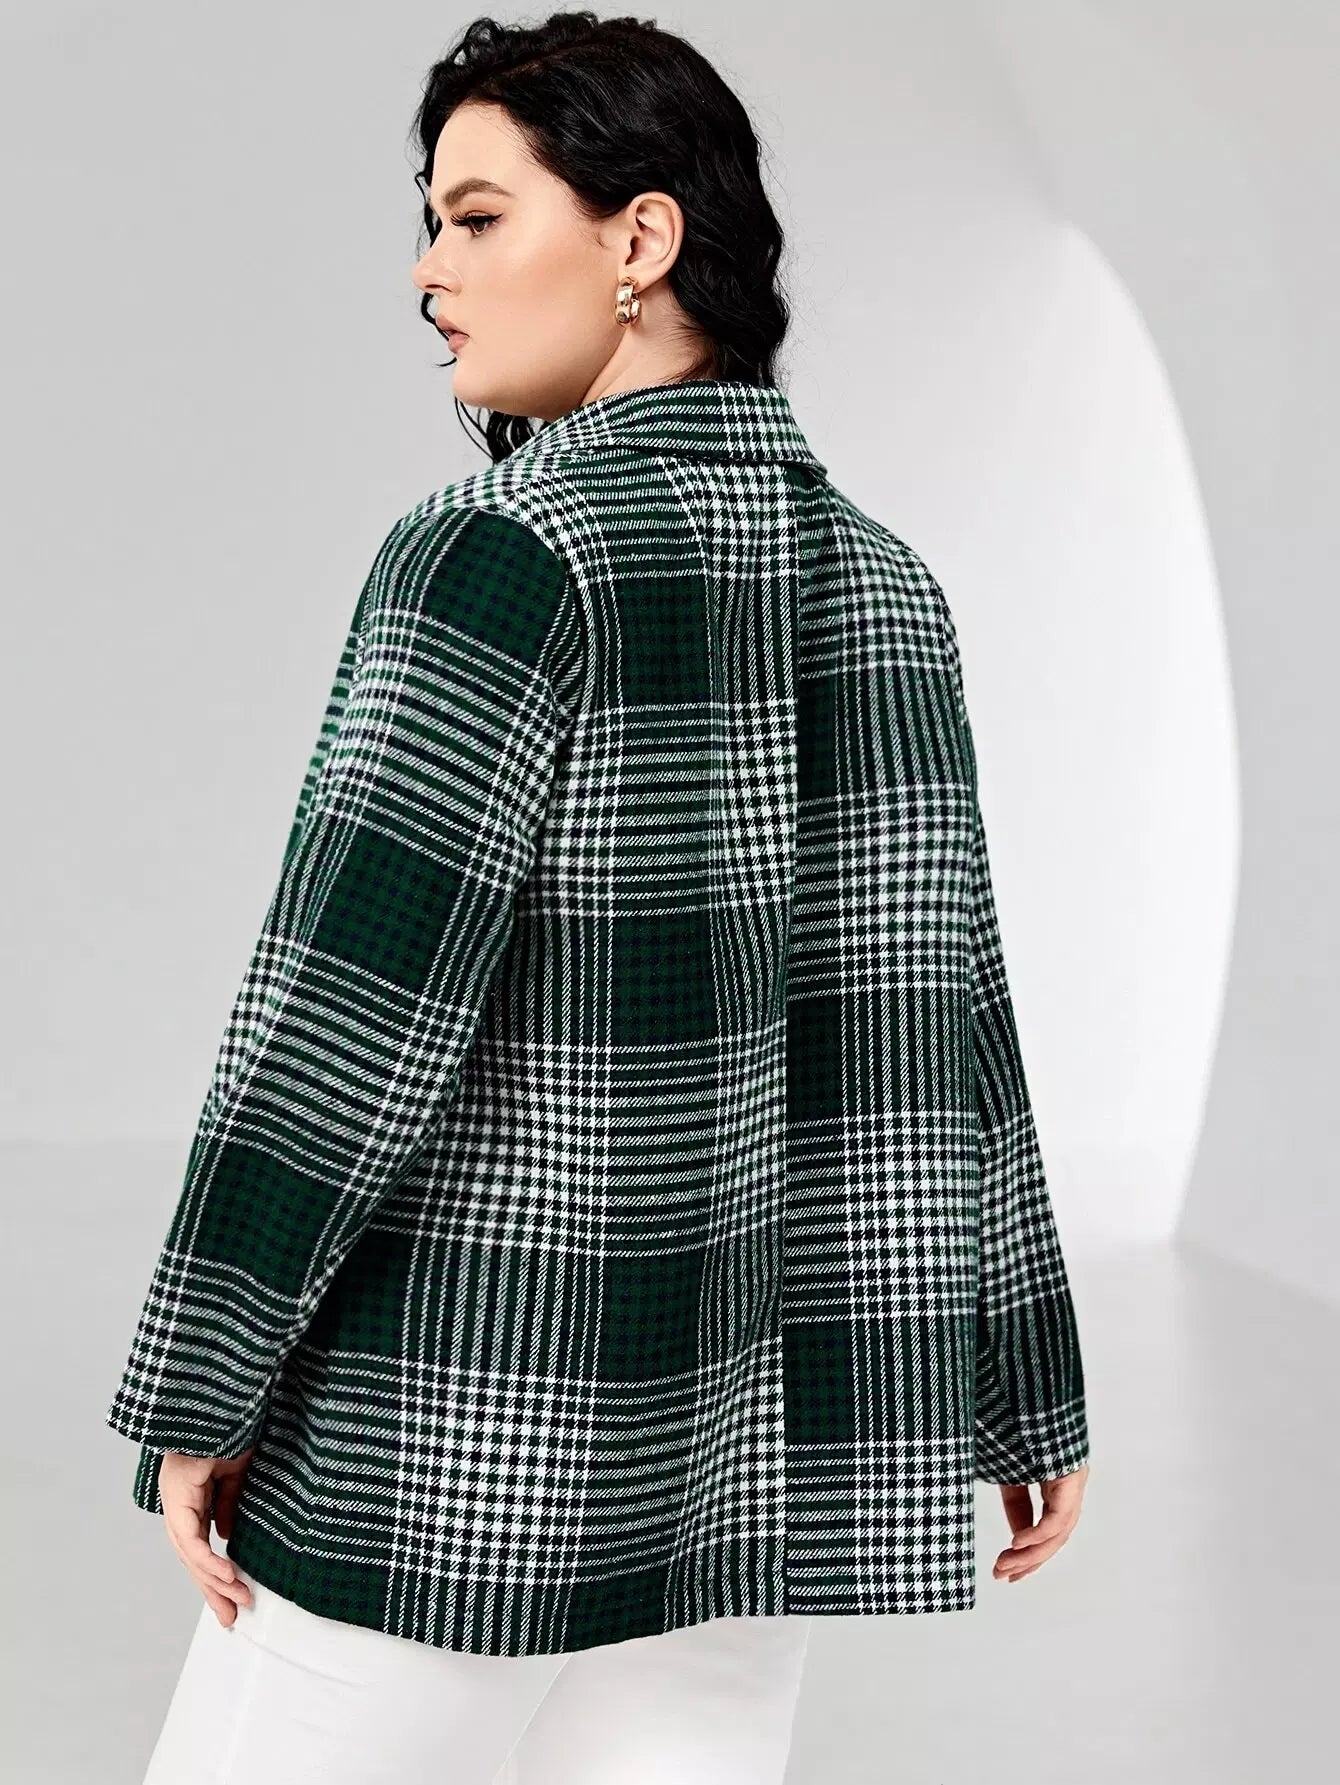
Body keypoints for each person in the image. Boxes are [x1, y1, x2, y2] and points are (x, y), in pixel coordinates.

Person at [105, 11, 1091, 1783]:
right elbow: (943, 1019)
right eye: (432, 223)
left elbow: (345, 1018)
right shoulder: (884, 585)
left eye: (478, 218)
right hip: (742, 1486)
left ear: (641, 238)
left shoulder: (500, 553)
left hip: (453, 1450)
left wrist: (206, 1379)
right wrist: (1027, 1382)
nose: (429, 272)